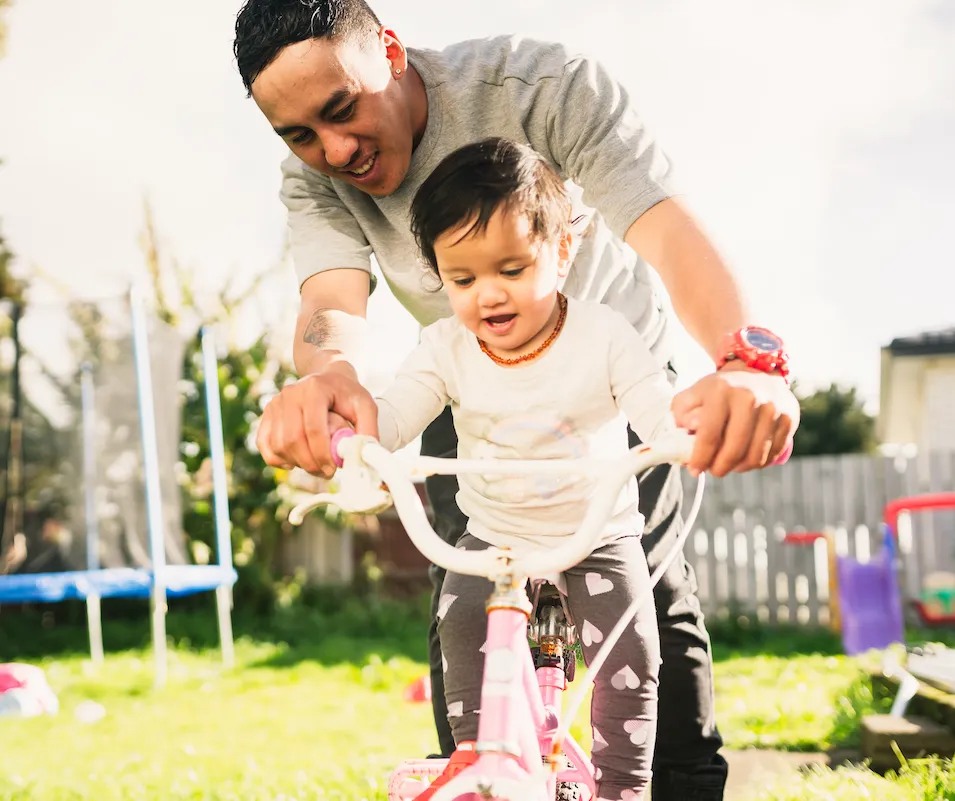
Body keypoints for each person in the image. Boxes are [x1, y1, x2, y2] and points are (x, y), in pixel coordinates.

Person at [233, 2, 799, 798]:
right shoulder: (315, 175)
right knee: (464, 600)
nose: (333, 149)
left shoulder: (541, 87)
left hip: (609, 386)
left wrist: (743, 362)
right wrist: (327, 379)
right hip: (469, 387)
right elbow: (332, 301)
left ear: (390, 53)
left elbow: (665, 229)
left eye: (341, 109)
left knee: (647, 601)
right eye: (298, 134)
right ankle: (485, 771)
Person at [375, 137, 679, 800]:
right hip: (496, 537)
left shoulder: (602, 334)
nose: (488, 295)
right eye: (462, 279)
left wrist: (681, 433)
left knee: (632, 660)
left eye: (511, 268)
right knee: (456, 621)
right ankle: (480, 767)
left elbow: (655, 408)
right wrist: (354, 440)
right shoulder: (445, 347)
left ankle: (622, 790)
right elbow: (391, 415)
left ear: (563, 250)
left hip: (595, 535)